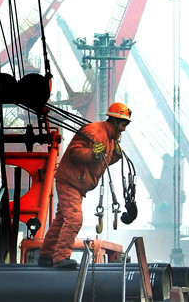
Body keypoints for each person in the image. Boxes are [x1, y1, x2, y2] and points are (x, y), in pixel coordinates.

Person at [38, 102, 131, 269]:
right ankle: (61, 258)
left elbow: (103, 161)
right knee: (74, 219)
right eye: (123, 124)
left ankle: (46, 255)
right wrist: (92, 152)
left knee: (61, 220)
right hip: (71, 181)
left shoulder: (109, 139)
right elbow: (74, 153)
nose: (124, 129)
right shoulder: (93, 131)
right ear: (115, 120)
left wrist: (116, 154)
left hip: (77, 183)